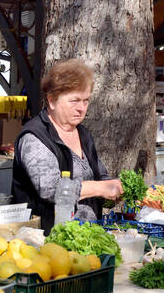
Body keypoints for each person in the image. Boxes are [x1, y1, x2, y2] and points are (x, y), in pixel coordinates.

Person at [11, 58, 122, 230]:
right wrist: (99, 188)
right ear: (52, 101)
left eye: (86, 101)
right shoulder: (34, 137)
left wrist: (117, 190)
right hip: (45, 240)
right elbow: (50, 189)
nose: (81, 108)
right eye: (74, 101)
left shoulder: (83, 134)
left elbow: (101, 178)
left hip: (88, 235)